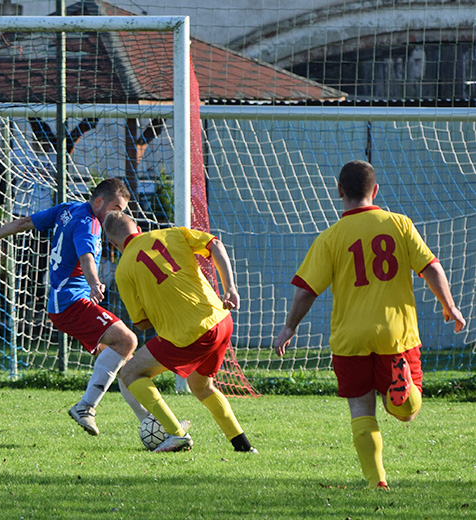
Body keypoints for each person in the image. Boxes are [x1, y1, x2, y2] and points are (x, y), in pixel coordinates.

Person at [274, 160, 465, 488]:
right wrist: (449, 305)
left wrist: (290, 326)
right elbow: (431, 267)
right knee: (406, 414)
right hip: (397, 335)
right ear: (375, 191)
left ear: (339, 192)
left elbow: (306, 290)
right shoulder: (399, 224)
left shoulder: (330, 238)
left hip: (350, 339)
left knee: (361, 409)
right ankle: (402, 392)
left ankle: (376, 480)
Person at [0, 178, 142, 436]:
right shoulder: (89, 223)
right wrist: (95, 283)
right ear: (99, 201)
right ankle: (86, 407)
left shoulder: (67, 209)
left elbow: (25, 222)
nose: (119, 214)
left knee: (126, 363)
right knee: (127, 340)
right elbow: (86, 257)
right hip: (72, 302)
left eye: (123, 210)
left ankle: (152, 422)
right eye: (116, 207)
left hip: (62, 304)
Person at [103, 211, 257, 453]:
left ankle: (177, 434)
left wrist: (160, 303)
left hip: (191, 334)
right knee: (201, 385)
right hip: (221, 319)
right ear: (138, 227)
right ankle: (243, 446)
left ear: (113, 243)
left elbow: (141, 323)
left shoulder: (123, 270)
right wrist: (230, 288)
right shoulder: (172, 233)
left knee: (130, 372)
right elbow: (215, 243)